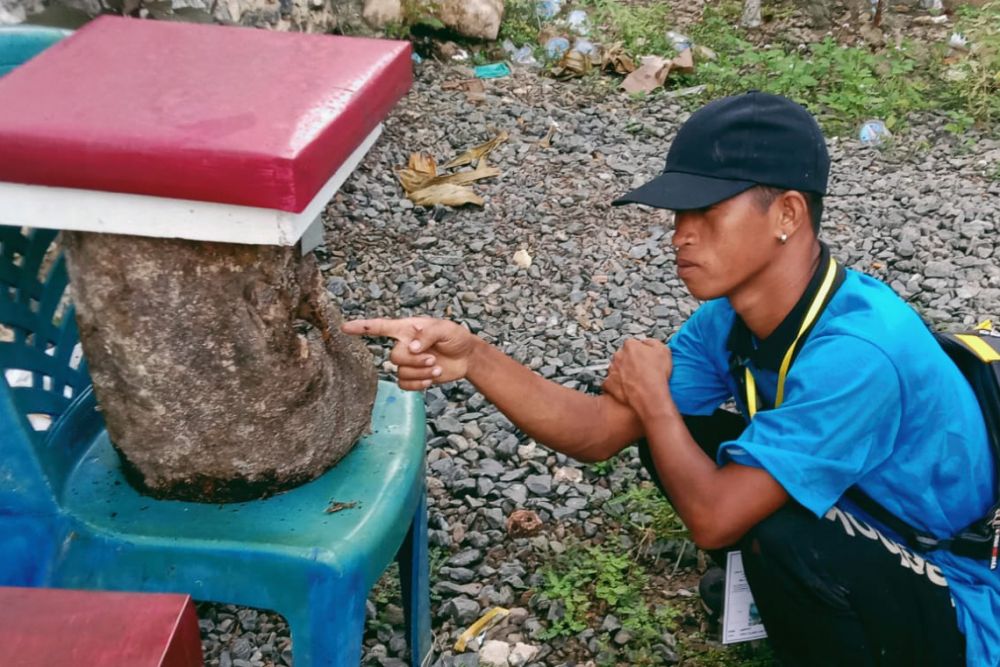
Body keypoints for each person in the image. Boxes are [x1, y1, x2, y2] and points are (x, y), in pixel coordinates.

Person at [343, 91, 997, 666]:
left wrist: (655, 400)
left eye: (706, 210)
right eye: (677, 213)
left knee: (775, 522)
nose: (680, 235)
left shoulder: (859, 351)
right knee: (693, 440)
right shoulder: (730, 318)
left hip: (960, 589)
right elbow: (602, 431)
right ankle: (785, 597)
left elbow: (714, 517)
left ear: (788, 215)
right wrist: (473, 356)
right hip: (866, 513)